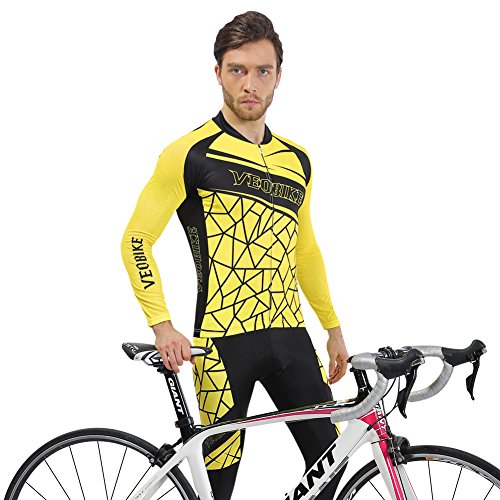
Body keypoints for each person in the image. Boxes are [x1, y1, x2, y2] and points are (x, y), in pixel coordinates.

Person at [121, 11, 349, 500]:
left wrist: (332, 327)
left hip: (291, 338)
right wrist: (162, 325)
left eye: (262, 71)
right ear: (218, 73)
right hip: (222, 345)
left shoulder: (297, 160)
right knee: (217, 487)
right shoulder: (188, 153)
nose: (250, 84)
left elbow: (304, 249)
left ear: (279, 76)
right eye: (237, 70)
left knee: (332, 468)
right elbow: (136, 239)